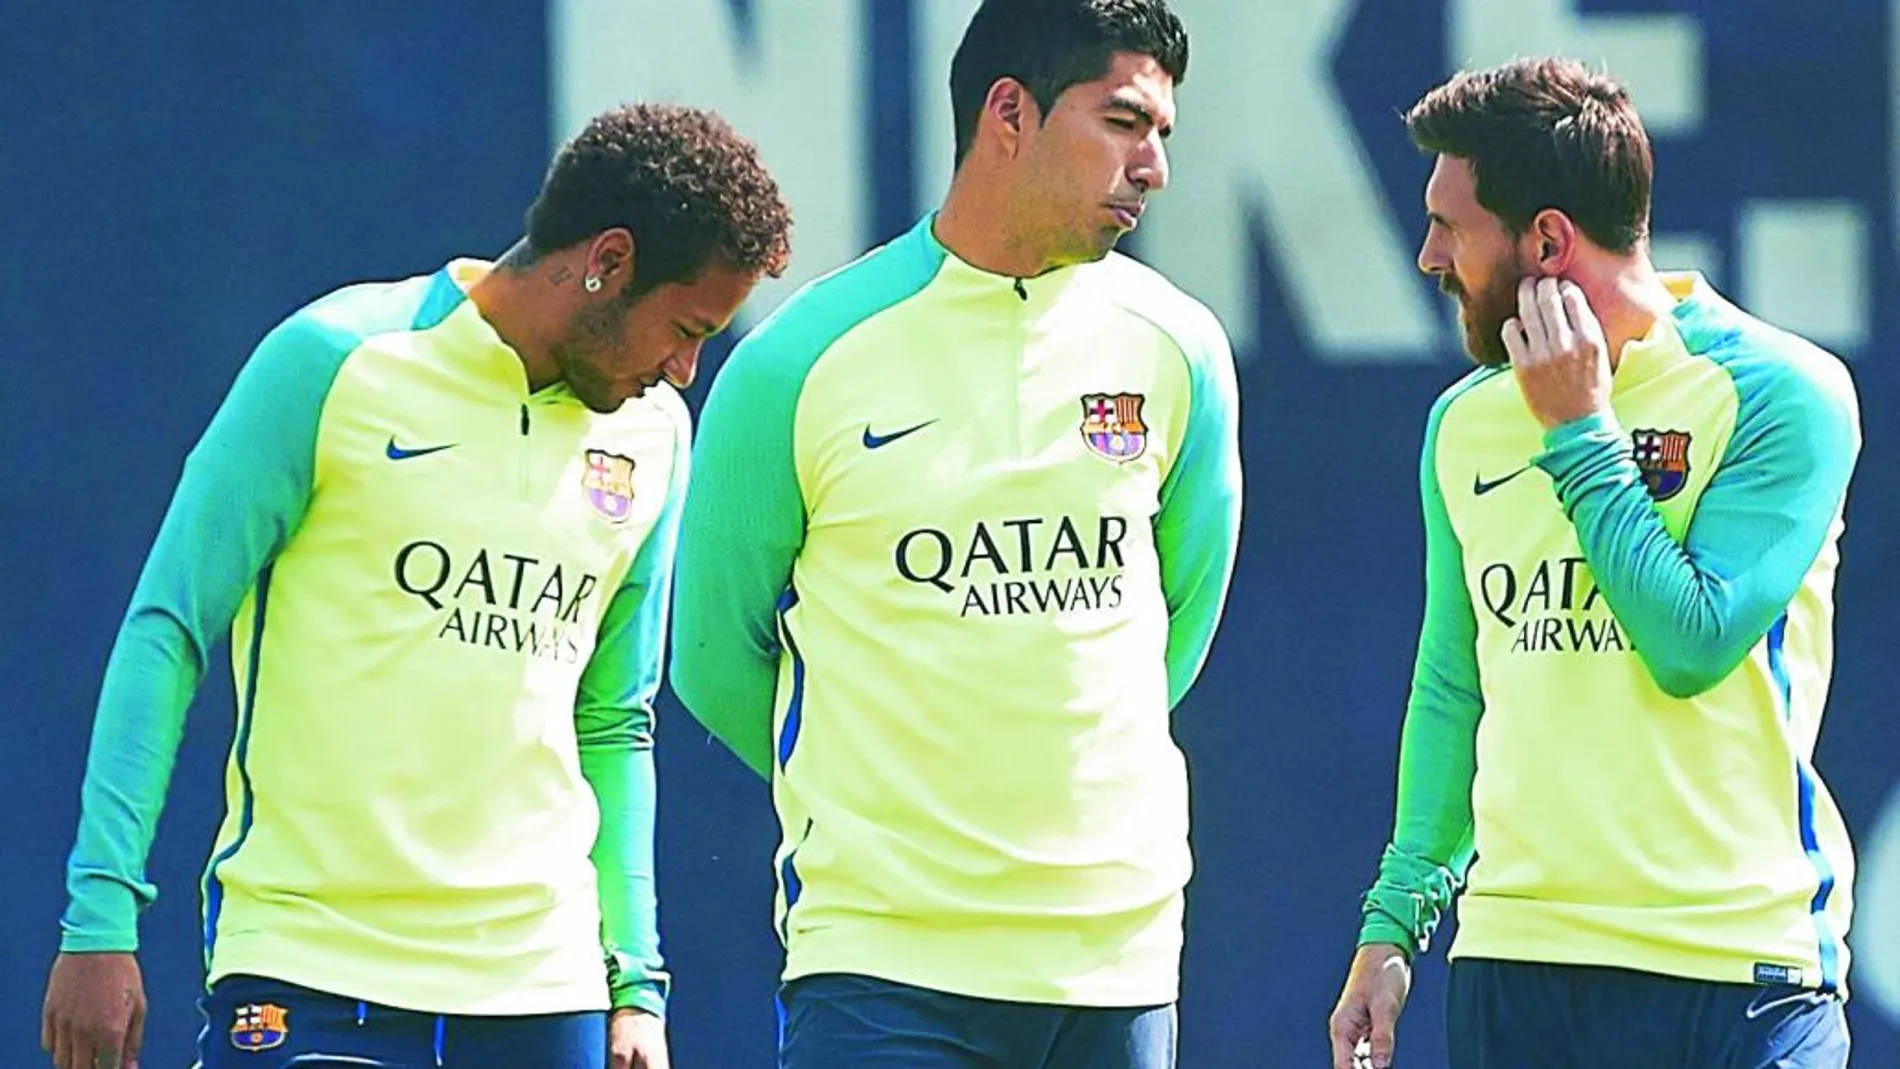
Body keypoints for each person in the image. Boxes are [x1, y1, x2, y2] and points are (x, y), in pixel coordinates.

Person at [40, 102, 792, 1069]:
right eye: (684, 329)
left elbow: (614, 720)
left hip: (544, 994)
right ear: (607, 259)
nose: (684, 372)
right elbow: (170, 627)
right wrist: (100, 914)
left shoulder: (653, 438)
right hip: (313, 971)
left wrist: (634, 985)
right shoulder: (336, 359)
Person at [668, 2, 1240, 1067]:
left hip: (1114, 961)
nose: (1152, 165)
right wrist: (880, 803)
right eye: (1122, 122)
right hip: (885, 965)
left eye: (1163, 132)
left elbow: (1177, 617)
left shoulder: (1180, 348)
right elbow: (709, 656)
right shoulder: (800, 361)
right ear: (1008, 113)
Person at [1327, 57, 1861, 1069]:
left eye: (1450, 224)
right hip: (1519, 966)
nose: (1426, 255)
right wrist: (1394, 926)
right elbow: (1453, 683)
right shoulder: (1463, 423)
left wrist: (1578, 431)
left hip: (1737, 975)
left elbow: (1690, 641)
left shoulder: (1782, 393)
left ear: (1546, 241)